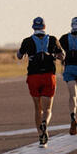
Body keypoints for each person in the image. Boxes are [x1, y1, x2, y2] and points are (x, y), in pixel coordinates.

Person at [17, 17, 64, 147]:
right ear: (44, 26)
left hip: (33, 77)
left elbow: (19, 56)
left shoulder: (27, 41)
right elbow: (62, 56)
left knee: (37, 108)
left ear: (33, 27)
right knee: (48, 108)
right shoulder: (53, 39)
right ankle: (45, 123)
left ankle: (40, 136)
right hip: (49, 76)